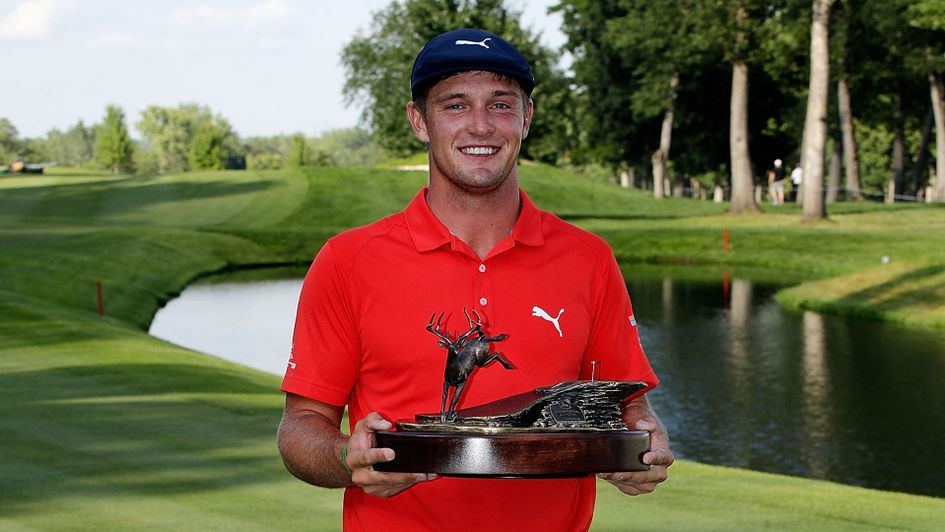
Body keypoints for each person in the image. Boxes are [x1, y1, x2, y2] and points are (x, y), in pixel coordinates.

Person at [277, 28, 673, 531]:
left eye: (501, 105)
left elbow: (627, 403)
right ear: (419, 120)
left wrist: (643, 441)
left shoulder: (588, 259)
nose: (481, 125)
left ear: (526, 118)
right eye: (456, 105)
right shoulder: (348, 261)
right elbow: (301, 427)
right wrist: (346, 458)